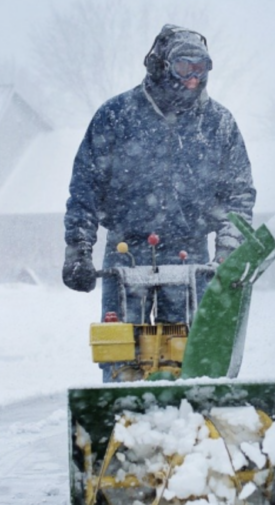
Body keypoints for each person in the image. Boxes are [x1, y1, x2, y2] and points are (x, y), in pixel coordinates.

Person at [62, 24, 255, 380]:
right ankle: (122, 411)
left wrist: (228, 251)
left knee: (188, 357)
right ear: (161, 66)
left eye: (202, 69)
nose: (194, 79)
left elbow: (238, 196)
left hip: (190, 254)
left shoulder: (218, 124)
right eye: (185, 67)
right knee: (121, 355)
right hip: (126, 249)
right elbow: (85, 186)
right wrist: (78, 247)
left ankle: (186, 423)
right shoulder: (117, 116)